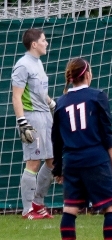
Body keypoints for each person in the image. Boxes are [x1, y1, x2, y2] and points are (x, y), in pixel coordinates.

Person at [51, 57, 112, 240]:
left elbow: (56, 140)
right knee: (110, 207)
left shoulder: (61, 102)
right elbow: (106, 133)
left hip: (72, 161)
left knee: (70, 209)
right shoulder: (97, 96)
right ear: (87, 74)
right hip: (95, 159)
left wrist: (58, 168)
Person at [11, 28, 56, 219]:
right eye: (44, 40)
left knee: (53, 160)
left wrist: (53, 104)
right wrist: (22, 122)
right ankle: (27, 209)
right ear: (34, 44)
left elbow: (39, 92)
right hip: (32, 117)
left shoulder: (38, 63)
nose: (46, 43)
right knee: (33, 162)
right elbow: (17, 96)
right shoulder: (23, 65)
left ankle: (38, 203)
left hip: (46, 116)